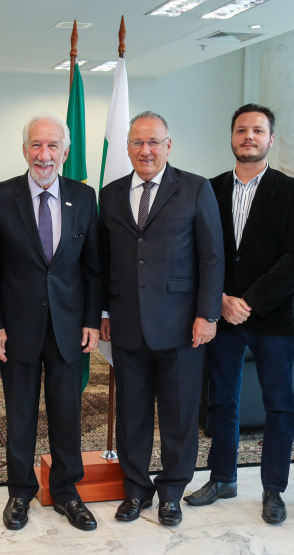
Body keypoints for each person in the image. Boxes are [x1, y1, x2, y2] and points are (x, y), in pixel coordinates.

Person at [184, 104, 294, 524]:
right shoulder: (208, 188)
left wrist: (250, 301)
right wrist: (221, 299)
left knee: (280, 407)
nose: (249, 137)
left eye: (258, 131)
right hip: (220, 316)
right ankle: (222, 478)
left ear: (270, 139)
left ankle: (273, 489)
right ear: (232, 136)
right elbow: (197, 253)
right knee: (221, 401)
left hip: (272, 320)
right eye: (241, 130)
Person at [0, 113, 102, 532]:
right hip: (16, 328)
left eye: (52, 146)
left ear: (65, 152)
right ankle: (20, 492)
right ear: (25, 149)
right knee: (21, 414)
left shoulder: (84, 198)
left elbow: (92, 268)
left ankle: (67, 492)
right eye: (36, 145)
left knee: (68, 413)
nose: (44, 154)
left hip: (69, 326)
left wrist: (91, 320)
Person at [99, 111, 223, 527]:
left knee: (178, 416)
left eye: (154, 142)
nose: (146, 150)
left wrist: (207, 315)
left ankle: (172, 491)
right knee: (131, 416)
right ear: (128, 147)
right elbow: (104, 260)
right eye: (137, 142)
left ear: (169, 145)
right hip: (127, 324)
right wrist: (102, 311)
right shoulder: (110, 194)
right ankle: (136, 491)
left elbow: (211, 257)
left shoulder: (195, 188)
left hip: (182, 327)